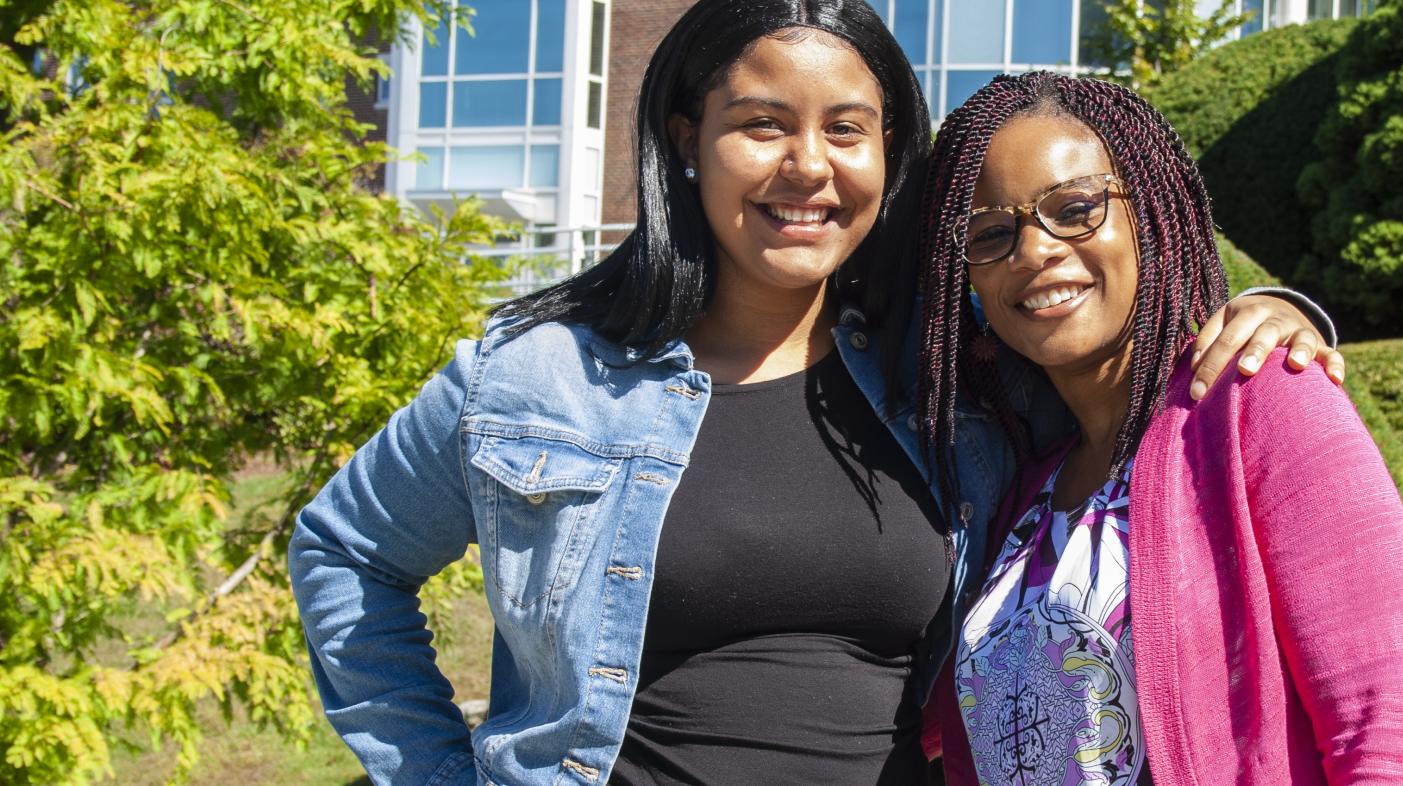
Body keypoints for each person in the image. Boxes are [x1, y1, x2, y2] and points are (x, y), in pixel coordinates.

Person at [288, 3, 1340, 785]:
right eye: (761, 125)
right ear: (685, 139)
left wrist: (1274, 312)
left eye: (847, 129)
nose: (808, 167)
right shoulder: (537, 374)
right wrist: (434, 771)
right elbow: (345, 550)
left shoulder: (948, 372)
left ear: (891, 155)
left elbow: (1116, 343)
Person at [914, 72, 1403, 784]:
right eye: (991, 233)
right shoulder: (1021, 487)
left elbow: (1386, 735)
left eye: (1075, 208)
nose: (1034, 250)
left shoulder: (1264, 403)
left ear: (1153, 215)